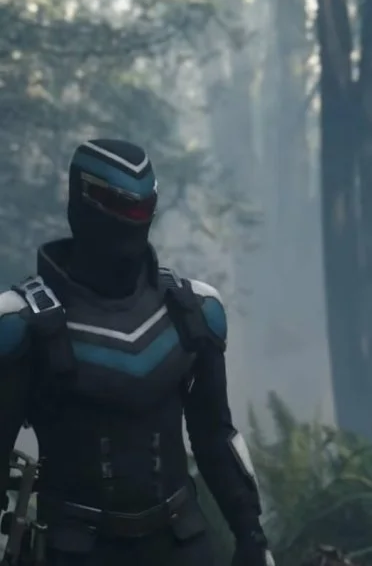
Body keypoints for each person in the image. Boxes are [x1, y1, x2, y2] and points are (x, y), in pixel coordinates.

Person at [0, 139, 275, 566]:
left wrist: (251, 535)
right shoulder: (23, 324)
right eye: (119, 205)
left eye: (142, 208)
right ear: (83, 202)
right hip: (74, 549)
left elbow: (214, 435)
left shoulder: (190, 312)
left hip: (181, 544)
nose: (132, 221)